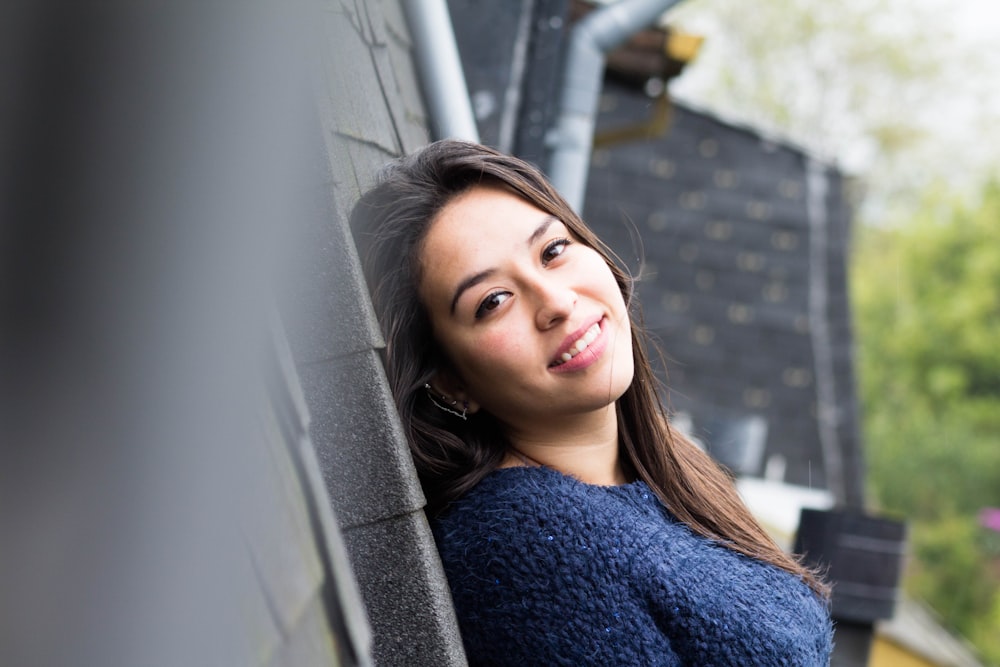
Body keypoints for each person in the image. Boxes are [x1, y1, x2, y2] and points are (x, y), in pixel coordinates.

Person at [352, 139, 832, 666]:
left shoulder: (666, 463)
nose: (556, 302)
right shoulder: (531, 545)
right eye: (492, 301)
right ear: (448, 382)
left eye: (552, 251)